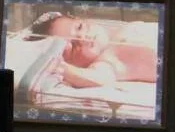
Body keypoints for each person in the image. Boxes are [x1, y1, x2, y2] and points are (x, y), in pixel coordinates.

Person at [27, 11, 158, 88]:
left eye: (79, 27)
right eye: (73, 46)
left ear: (84, 20)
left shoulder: (123, 28)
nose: (83, 38)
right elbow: (99, 78)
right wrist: (63, 68)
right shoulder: (106, 62)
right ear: (74, 64)